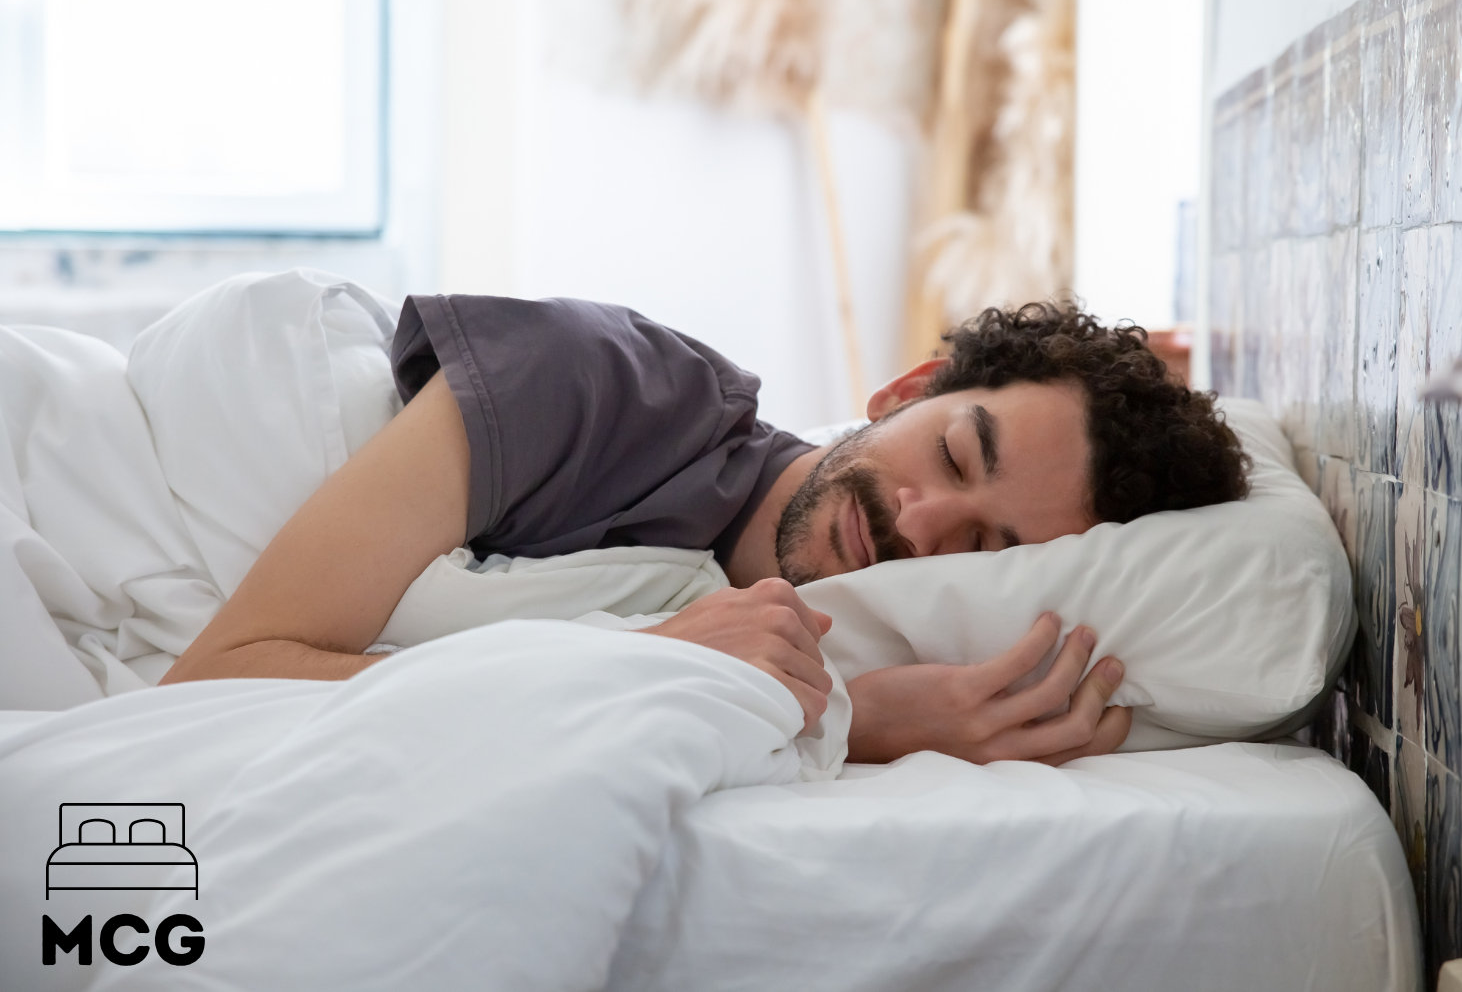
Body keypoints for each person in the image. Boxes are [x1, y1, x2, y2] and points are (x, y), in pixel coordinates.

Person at [163, 296, 1249, 766]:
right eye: (955, 456)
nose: (919, 525)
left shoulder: (789, 623)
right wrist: (669, 680)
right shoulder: (603, 385)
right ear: (903, 388)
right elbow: (219, 677)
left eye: (984, 551)